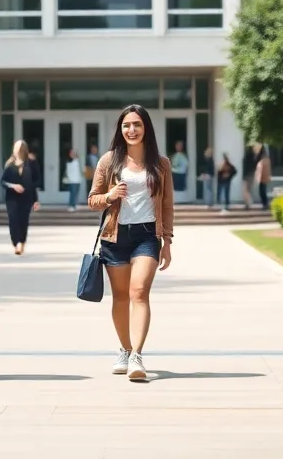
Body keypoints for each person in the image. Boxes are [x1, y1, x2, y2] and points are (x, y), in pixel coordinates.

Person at [89, 105, 174, 383]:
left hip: (147, 236)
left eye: (137, 124)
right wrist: (110, 195)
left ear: (146, 127)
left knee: (139, 291)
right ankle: (124, 349)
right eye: (126, 125)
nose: (132, 130)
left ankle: (137, 355)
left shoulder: (161, 164)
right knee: (121, 296)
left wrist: (167, 242)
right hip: (115, 236)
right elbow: (93, 200)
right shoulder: (109, 161)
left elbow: (167, 205)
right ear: (120, 129)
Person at [1, 139, 39, 255]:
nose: (18, 150)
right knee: (13, 221)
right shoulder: (9, 164)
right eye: (17, 148)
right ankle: (16, 243)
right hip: (12, 198)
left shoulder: (31, 163)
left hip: (26, 197)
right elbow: (3, 182)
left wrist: (36, 200)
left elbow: (36, 181)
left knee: (23, 221)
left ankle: (21, 242)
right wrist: (13, 186)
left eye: (21, 148)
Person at [64, 147, 85, 212]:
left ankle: (75, 205)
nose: (74, 154)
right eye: (72, 153)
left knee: (76, 193)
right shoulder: (69, 161)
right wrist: (70, 179)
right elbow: (68, 171)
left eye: (74, 153)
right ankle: (71, 206)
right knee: (72, 194)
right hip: (72, 180)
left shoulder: (77, 161)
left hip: (78, 180)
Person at [255, 143, 273, 209]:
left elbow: (265, 169)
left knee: (262, 192)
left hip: (263, 178)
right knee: (262, 192)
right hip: (262, 178)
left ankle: (265, 204)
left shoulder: (264, 159)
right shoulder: (263, 158)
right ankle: (264, 204)